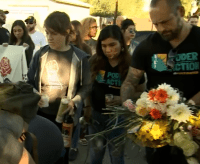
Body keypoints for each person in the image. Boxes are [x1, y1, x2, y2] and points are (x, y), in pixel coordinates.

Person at [120, 0, 200, 163]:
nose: (161, 29)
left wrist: (187, 107)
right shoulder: (147, 47)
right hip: (158, 133)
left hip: (195, 131)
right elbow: (129, 82)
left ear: (181, 12)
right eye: (156, 24)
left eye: (165, 22)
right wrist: (128, 104)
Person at [27, 11, 91, 164]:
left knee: (62, 156)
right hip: (41, 115)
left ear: (66, 32)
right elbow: (29, 81)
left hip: (66, 117)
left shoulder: (79, 57)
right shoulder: (40, 54)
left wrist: (74, 101)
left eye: (54, 33)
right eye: (47, 33)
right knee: (40, 154)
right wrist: (35, 94)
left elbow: (87, 86)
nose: (49, 37)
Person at [85, 25, 145, 164]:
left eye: (112, 44)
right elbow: (88, 87)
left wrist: (121, 99)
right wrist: (87, 108)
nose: (108, 50)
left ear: (121, 43)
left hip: (119, 118)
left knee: (116, 156)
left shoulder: (131, 63)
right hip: (96, 116)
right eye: (104, 46)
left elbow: (142, 91)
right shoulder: (95, 61)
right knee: (95, 155)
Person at [68, 20, 92, 161]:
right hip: (65, 91)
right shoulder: (64, 49)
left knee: (76, 120)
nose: (69, 35)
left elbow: (88, 75)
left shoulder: (85, 50)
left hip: (78, 90)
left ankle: (74, 146)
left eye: (72, 32)